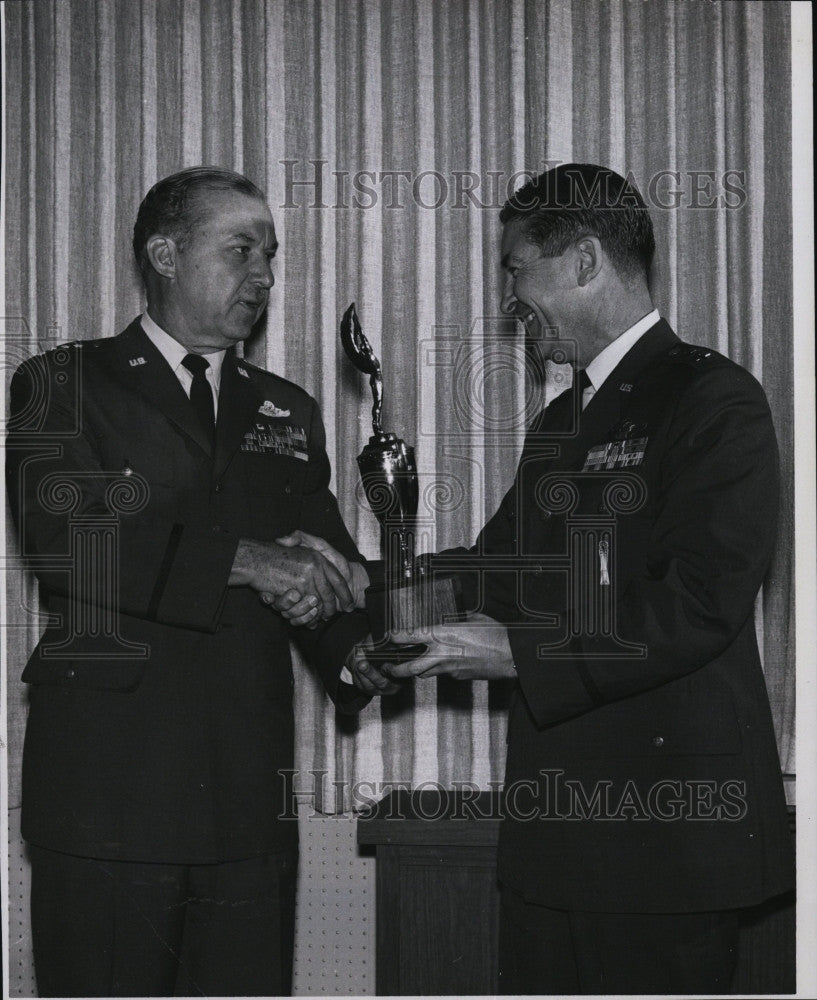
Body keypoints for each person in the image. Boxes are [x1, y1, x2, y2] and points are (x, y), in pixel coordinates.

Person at [341, 163, 795, 994]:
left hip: (667, 843)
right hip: (555, 837)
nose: (511, 297)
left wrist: (514, 653)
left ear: (584, 260)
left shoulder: (711, 398)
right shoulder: (563, 419)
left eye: (517, 269)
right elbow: (499, 570)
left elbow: (696, 604)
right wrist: (358, 589)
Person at [6, 166, 372, 997]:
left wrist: (363, 654)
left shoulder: (288, 409)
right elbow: (73, 540)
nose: (265, 276)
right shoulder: (61, 383)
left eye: (272, 256)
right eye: (241, 249)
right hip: (109, 799)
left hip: (246, 800)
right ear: (164, 254)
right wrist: (249, 560)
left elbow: (321, 569)